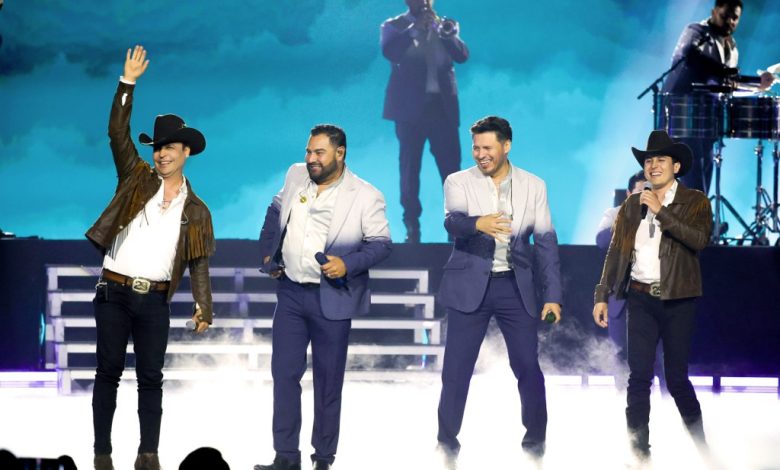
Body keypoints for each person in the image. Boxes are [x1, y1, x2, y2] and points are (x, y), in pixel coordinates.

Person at [86, 46, 215, 470]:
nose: (161, 153)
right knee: (108, 374)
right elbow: (117, 134)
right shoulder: (137, 176)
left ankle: (149, 454)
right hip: (115, 291)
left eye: (170, 147)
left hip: (154, 301)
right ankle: (101, 453)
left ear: (186, 152)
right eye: (158, 147)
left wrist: (203, 306)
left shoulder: (196, 209)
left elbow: (198, 262)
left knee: (150, 381)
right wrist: (127, 83)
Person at [254, 124, 392, 470]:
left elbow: (380, 244)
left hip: (331, 298)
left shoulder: (365, 194)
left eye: (319, 153)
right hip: (290, 294)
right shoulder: (295, 175)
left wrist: (347, 263)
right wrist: (268, 255)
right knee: (284, 375)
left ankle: (323, 459)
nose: (311, 159)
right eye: (308, 152)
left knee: (328, 383)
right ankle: (285, 457)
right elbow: (274, 211)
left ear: (340, 153)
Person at [435, 116, 562, 463]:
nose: (480, 154)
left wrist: (552, 295)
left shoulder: (534, 185)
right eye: (476, 148)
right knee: (456, 369)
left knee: (527, 366)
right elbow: (453, 221)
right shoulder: (458, 181)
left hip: (514, 286)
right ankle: (446, 444)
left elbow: (546, 242)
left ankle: (536, 443)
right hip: (468, 286)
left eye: (487, 147)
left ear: (506, 146)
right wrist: (479, 223)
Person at [593, 130, 713, 460]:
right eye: (648, 160)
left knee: (676, 379)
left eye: (660, 159)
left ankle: (704, 450)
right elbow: (616, 252)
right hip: (640, 298)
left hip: (678, 300)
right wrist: (602, 294)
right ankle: (639, 455)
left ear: (676, 166)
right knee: (638, 378)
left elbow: (699, 240)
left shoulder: (695, 202)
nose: (653, 165)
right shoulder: (633, 204)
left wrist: (661, 211)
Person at [661, 0, 774, 194]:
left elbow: (728, 83)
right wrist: (724, 71)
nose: (730, 21)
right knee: (689, 176)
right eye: (725, 16)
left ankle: (701, 220)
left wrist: (758, 83)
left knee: (702, 177)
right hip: (682, 116)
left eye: (735, 18)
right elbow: (689, 56)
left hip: (706, 122)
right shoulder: (697, 31)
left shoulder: (731, 47)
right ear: (714, 12)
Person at [381, 0, 469, 242]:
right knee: (410, 169)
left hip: (442, 109)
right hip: (410, 111)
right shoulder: (394, 26)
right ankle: (412, 225)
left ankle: (456, 227)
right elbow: (391, 52)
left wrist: (448, 36)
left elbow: (462, 56)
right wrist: (414, 30)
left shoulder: (445, 25)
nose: (425, 2)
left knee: (452, 171)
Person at [596, 171, 665, 391]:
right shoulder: (615, 213)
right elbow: (601, 241)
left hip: (656, 298)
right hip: (622, 301)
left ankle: (670, 410)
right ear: (628, 194)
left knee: (661, 359)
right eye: (639, 192)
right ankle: (623, 410)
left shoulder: (663, 215)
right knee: (620, 357)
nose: (644, 196)